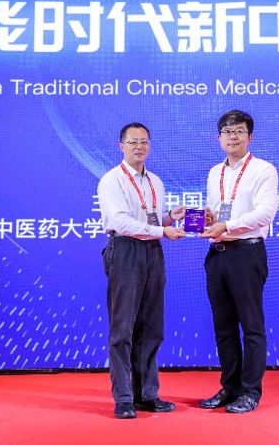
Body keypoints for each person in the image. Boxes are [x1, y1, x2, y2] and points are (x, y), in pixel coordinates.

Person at [97, 122, 186, 419]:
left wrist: (169, 217)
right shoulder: (112, 180)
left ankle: (147, 394)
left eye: (144, 141)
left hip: (152, 251)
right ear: (121, 146)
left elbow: (150, 220)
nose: (139, 147)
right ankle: (124, 397)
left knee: (151, 327)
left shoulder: (155, 181)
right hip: (125, 251)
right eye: (133, 142)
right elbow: (121, 222)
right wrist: (162, 230)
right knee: (122, 329)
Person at [199, 110, 278, 414]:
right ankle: (230, 387)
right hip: (217, 255)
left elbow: (265, 213)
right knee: (224, 326)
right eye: (227, 131)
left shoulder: (263, 170)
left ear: (250, 137)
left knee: (251, 326)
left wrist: (227, 226)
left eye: (239, 131)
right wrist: (209, 218)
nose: (233, 136)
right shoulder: (214, 172)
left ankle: (250, 391)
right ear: (219, 138)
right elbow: (220, 210)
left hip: (247, 253)